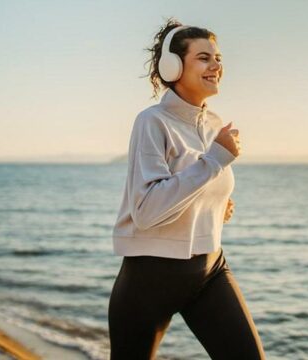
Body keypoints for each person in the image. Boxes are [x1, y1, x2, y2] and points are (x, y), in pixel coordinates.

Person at [108, 18, 266, 359]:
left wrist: (214, 204)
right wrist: (214, 160)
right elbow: (147, 210)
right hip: (151, 278)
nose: (217, 65)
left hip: (210, 269)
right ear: (173, 66)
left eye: (218, 57)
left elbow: (194, 184)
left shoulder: (213, 123)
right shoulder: (152, 122)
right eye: (204, 57)